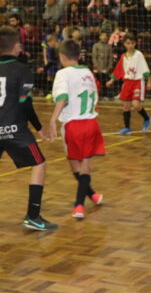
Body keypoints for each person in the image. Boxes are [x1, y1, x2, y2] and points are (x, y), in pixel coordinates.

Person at [0, 26, 57, 231]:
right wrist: (40, 127)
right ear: (17, 47)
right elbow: (25, 104)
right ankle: (33, 216)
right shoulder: (22, 69)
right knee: (39, 164)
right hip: (14, 128)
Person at [50, 40, 105, 219]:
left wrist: (52, 119)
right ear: (79, 56)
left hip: (74, 124)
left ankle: (78, 206)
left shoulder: (63, 73)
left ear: (62, 56)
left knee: (80, 166)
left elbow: (62, 97)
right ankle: (92, 195)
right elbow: (96, 96)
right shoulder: (88, 72)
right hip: (91, 123)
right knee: (81, 166)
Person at [106, 34, 151, 134]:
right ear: (124, 44)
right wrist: (111, 80)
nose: (130, 45)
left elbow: (145, 68)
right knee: (126, 106)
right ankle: (127, 127)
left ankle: (147, 118)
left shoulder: (138, 54)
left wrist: (149, 81)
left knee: (136, 104)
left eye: (132, 43)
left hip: (137, 82)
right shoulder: (123, 56)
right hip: (127, 82)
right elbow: (118, 70)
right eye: (128, 43)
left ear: (135, 44)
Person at [92, 32, 114, 99]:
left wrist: (110, 67)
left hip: (106, 68)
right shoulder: (96, 45)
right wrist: (96, 66)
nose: (104, 37)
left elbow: (110, 58)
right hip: (98, 68)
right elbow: (94, 57)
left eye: (105, 36)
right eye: (102, 35)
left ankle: (105, 95)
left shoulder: (109, 46)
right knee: (99, 83)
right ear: (100, 37)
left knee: (106, 82)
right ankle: (99, 95)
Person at [43, 34, 59, 99]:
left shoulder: (57, 49)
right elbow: (49, 58)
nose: (49, 43)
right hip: (51, 65)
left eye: (50, 41)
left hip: (55, 65)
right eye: (48, 42)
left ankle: (54, 91)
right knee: (49, 77)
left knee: (55, 78)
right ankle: (49, 91)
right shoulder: (49, 49)